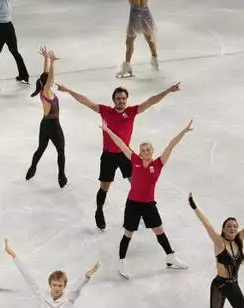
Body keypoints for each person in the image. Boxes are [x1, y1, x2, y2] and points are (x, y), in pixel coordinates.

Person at [55, 80, 181, 230]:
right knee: (104, 187)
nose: (121, 101)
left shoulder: (132, 112)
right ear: (114, 100)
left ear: (126, 99)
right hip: (108, 156)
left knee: (138, 185)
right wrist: (68, 90)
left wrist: (167, 91)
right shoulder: (105, 111)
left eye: (123, 98)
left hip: (126, 155)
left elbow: (150, 101)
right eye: (118, 98)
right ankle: (99, 211)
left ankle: (143, 212)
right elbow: (86, 101)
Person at [100, 119, 192, 278]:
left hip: (149, 205)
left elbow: (171, 145)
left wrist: (183, 132)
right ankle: (121, 263)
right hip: (133, 204)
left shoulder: (158, 164)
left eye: (148, 149)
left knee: (159, 230)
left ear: (152, 151)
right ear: (140, 153)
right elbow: (121, 144)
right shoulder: (135, 160)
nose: (146, 152)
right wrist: (108, 131)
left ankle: (170, 257)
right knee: (128, 233)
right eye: (143, 150)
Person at [94, 0, 170, 77]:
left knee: (129, 42)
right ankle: (155, 61)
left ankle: (127, 66)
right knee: (149, 38)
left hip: (135, 16)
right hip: (146, 14)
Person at [25, 47, 66, 188]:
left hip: (44, 125)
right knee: (61, 151)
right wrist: (52, 62)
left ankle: (32, 168)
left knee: (41, 149)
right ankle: (61, 176)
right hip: (54, 126)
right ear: (46, 82)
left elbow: (45, 75)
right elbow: (49, 77)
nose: (51, 79)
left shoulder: (44, 90)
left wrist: (46, 59)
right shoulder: (47, 92)